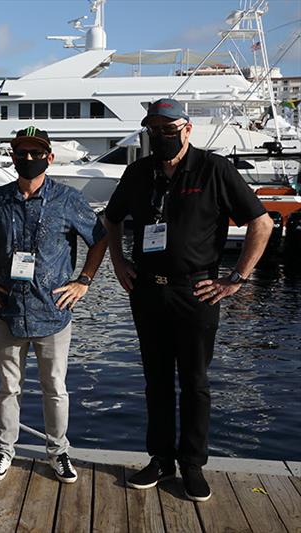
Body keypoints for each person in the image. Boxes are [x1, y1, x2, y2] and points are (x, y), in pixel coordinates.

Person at [104, 98, 272, 502]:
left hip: (196, 291)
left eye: (167, 129)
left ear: (187, 129)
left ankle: (192, 464)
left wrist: (235, 278)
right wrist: (118, 261)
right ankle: (160, 459)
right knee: (156, 381)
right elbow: (111, 218)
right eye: (153, 130)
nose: (160, 136)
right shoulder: (139, 172)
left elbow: (261, 223)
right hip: (147, 290)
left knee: (194, 382)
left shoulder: (214, 169)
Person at [0, 127, 108, 484]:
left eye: (36, 153)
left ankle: (58, 451)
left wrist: (84, 281)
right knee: (8, 388)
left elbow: (99, 239)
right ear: (13, 156)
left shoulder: (68, 199)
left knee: (55, 387)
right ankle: (3, 450)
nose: (28, 159)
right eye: (22, 152)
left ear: (49, 157)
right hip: (7, 310)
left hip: (53, 312)